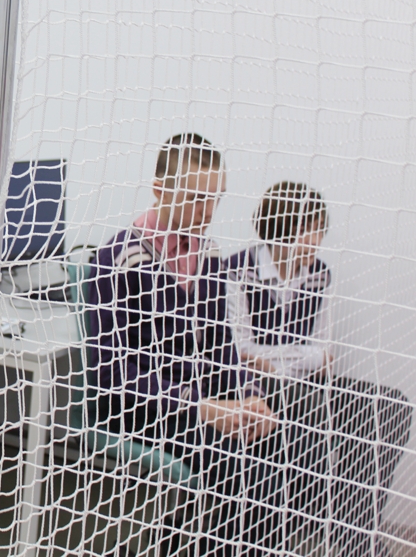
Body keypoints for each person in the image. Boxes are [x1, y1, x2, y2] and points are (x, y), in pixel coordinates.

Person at [88, 134, 288, 556]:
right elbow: (110, 374)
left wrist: (247, 396)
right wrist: (202, 407)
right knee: (239, 464)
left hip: (198, 403)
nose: (208, 211)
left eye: (216, 197)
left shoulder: (208, 254)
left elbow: (222, 346)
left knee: (280, 442)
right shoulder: (118, 258)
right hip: (140, 409)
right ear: (160, 190)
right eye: (198, 198)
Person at [226, 181, 413, 557]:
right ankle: (346, 535)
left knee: (392, 405)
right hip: (257, 386)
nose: (316, 240)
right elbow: (239, 349)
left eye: (319, 229)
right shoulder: (237, 270)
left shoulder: (320, 274)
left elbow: (325, 353)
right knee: (318, 416)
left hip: (306, 382)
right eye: (307, 229)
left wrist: (281, 358)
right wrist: (295, 356)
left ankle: (355, 533)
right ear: (280, 228)